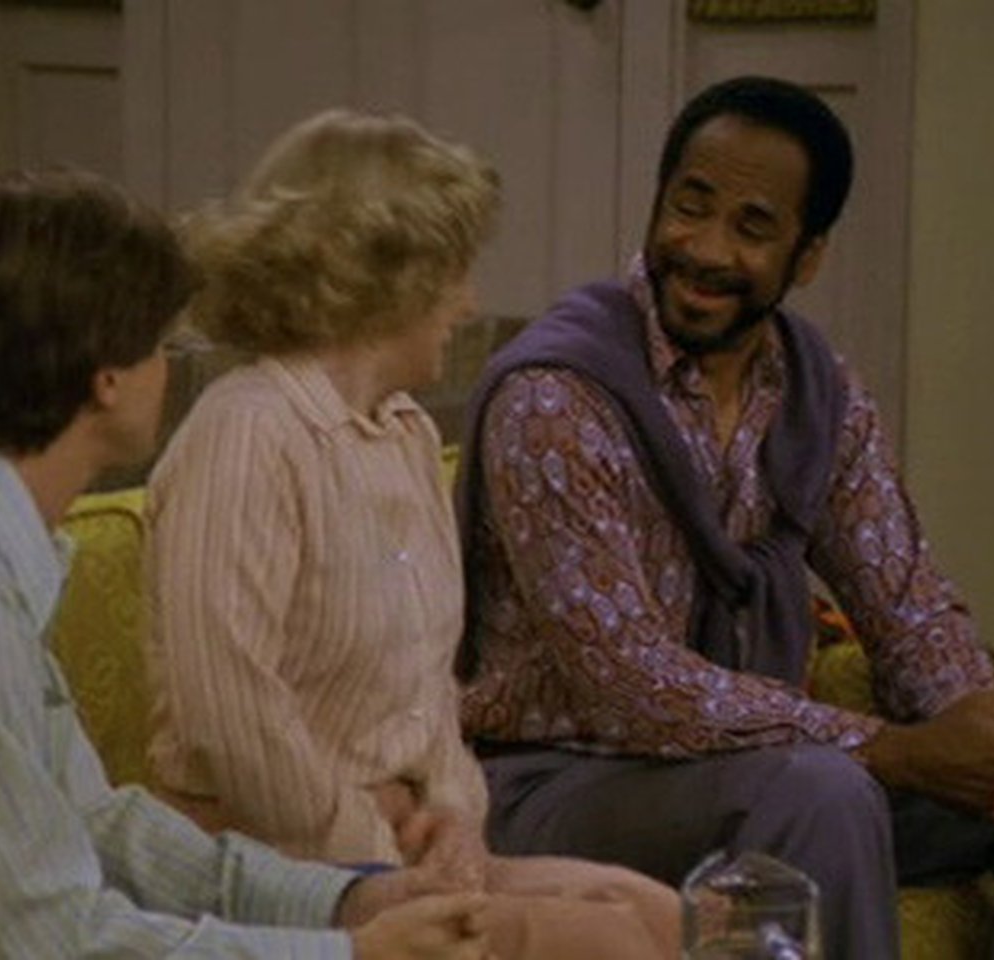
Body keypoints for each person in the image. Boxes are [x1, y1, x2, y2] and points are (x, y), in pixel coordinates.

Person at [0, 168, 497, 959]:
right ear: (106, 379)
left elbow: (94, 824)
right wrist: (354, 955)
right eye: (160, 346)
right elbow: (54, 939)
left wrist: (345, 900)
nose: (166, 370)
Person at [454, 74, 994, 959]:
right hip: (557, 787)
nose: (707, 249)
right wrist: (893, 750)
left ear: (807, 257)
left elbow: (906, 601)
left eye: (753, 227)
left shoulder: (816, 390)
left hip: (762, 772)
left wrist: (984, 738)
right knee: (823, 792)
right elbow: (632, 686)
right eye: (690, 207)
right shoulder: (557, 396)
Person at [143, 110, 681, 960]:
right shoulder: (248, 432)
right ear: (384, 274)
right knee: (604, 941)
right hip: (274, 865)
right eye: (454, 272)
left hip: (404, 846)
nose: (469, 303)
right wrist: (370, 848)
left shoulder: (404, 434)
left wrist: (455, 819)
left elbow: (429, 691)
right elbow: (230, 713)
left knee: (664, 915)